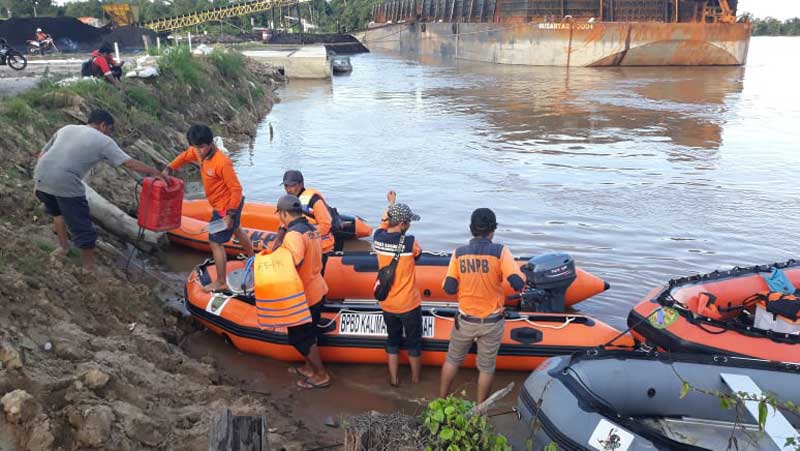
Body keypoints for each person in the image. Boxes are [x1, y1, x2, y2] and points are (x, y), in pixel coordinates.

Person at [33, 109, 165, 272]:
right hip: (65, 182)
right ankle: (89, 268)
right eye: (110, 129)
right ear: (103, 125)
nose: (110, 134)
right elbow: (129, 163)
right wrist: (156, 172)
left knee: (57, 213)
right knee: (83, 226)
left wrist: (39, 183)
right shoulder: (104, 141)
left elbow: (41, 154)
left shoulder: (67, 128)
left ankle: (63, 248)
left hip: (40, 177)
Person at [438, 208, 525, 403]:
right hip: (491, 322)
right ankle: (480, 410)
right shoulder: (500, 251)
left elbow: (449, 288)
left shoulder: (459, 253)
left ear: (471, 229)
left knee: (452, 360)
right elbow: (517, 283)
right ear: (492, 230)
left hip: (465, 320)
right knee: (486, 367)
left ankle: (441, 400)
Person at [163, 125, 254, 292]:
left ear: (210, 143)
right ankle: (253, 258)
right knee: (238, 231)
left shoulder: (222, 162)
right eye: (195, 147)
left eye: (201, 147)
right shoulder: (198, 152)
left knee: (215, 242)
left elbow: (236, 189)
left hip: (227, 207)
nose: (198, 151)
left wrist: (229, 215)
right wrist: (170, 168)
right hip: (220, 205)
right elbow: (184, 156)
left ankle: (221, 282)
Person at [272, 194, 331, 389]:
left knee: (300, 338)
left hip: (304, 295)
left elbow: (293, 262)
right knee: (310, 333)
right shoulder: (311, 229)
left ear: (282, 213)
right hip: (318, 288)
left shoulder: (294, 235)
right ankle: (309, 368)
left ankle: (321, 375)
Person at [373, 190, 423, 387]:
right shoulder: (410, 243)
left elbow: (384, 222)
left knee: (392, 341)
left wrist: (390, 204)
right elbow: (417, 256)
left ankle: (394, 379)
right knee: (414, 344)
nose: (410, 225)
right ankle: (416, 380)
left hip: (387, 303)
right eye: (408, 222)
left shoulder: (377, 238)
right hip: (408, 304)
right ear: (403, 224)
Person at [281, 170, 335, 266]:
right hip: (303, 246)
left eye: (292, 185)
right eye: (286, 186)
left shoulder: (314, 201)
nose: (288, 189)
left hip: (321, 248)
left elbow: (326, 225)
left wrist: (306, 236)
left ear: (301, 184)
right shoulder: (290, 201)